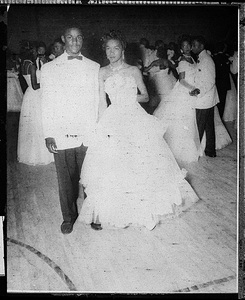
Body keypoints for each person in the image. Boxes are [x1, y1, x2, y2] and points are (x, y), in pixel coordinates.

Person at [78, 30, 199, 231]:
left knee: (139, 162)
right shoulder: (102, 72)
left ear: (122, 50)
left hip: (134, 117)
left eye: (116, 48)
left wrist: (128, 99)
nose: (111, 52)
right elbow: (101, 102)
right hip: (112, 118)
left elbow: (145, 96)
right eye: (108, 48)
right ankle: (106, 212)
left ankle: (143, 212)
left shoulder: (133, 70)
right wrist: (100, 126)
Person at [40, 27, 100, 234]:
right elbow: (46, 103)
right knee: (65, 181)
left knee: (91, 177)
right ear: (63, 40)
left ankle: (93, 214)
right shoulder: (49, 68)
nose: (74, 41)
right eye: (70, 37)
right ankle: (69, 217)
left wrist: (101, 131)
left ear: (82, 40)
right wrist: (49, 134)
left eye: (78, 37)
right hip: (62, 134)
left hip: (89, 133)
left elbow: (99, 102)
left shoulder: (95, 67)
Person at [153, 37, 203, 168]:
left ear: (191, 47)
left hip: (192, 91)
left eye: (188, 45)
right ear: (181, 49)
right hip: (185, 91)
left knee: (191, 119)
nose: (187, 48)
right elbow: (181, 80)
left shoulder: (193, 59)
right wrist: (193, 88)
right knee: (185, 120)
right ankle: (182, 151)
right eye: (184, 46)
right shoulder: (182, 61)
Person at [17, 48, 54, 166]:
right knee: (39, 124)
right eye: (35, 52)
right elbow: (35, 85)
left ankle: (29, 153)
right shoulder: (32, 66)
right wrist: (46, 83)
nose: (37, 54)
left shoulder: (24, 64)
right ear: (31, 53)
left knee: (31, 126)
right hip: (35, 94)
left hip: (29, 95)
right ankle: (39, 154)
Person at [191, 35, 219, 158]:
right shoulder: (202, 58)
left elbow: (210, 80)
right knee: (208, 125)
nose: (192, 48)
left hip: (204, 99)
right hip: (208, 99)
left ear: (201, 46)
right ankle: (210, 150)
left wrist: (198, 91)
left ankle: (195, 153)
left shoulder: (207, 60)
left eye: (194, 45)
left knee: (200, 126)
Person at [144, 46, 177, 113]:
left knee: (160, 99)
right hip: (167, 81)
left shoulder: (156, 62)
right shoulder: (168, 62)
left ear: (158, 54)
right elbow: (175, 66)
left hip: (159, 81)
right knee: (166, 99)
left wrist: (144, 65)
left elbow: (146, 69)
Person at [213, 41, 231, 119]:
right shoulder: (226, 57)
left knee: (217, 100)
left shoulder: (214, 57)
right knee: (222, 101)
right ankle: (220, 117)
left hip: (217, 83)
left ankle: (217, 117)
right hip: (224, 83)